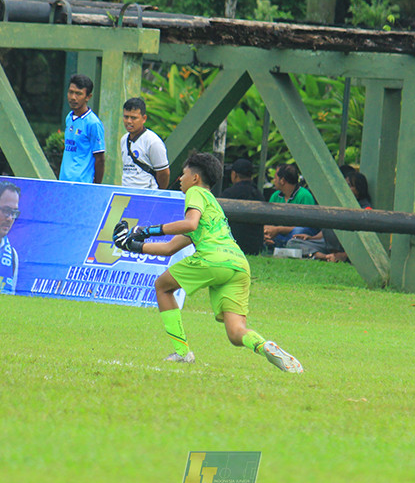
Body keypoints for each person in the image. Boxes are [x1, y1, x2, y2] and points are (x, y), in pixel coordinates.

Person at [113, 152, 303, 373]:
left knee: (162, 287)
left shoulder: (195, 192)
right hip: (238, 265)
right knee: (236, 333)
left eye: (183, 174)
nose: (180, 179)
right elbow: (169, 248)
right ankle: (264, 345)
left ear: (195, 178)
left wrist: (145, 231)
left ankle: (182, 353)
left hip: (213, 259)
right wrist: (131, 245)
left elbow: (190, 224)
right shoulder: (214, 205)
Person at [60, 73, 106, 184]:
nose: (73, 97)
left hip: (82, 183)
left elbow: (100, 159)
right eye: (71, 92)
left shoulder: (93, 123)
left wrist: (96, 186)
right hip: (63, 181)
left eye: (78, 94)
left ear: (88, 97)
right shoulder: (69, 118)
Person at [119, 96, 170, 189]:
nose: (129, 121)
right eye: (126, 117)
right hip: (126, 192)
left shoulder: (153, 142)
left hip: (146, 195)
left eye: (134, 118)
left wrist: (158, 193)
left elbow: (164, 173)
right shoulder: (123, 139)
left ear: (144, 118)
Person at [263, 163, 317, 248]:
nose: (273, 181)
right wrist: (266, 231)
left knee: (298, 231)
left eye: (275, 178)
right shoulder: (275, 196)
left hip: (296, 233)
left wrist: (278, 229)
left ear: (282, 181)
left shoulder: (304, 196)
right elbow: (268, 220)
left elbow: (306, 225)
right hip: (279, 233)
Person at [218, 157, 264, 255]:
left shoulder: (229, 194)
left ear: (234, 174)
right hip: (255, 248)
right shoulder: (258, 194)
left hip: (231, 245)